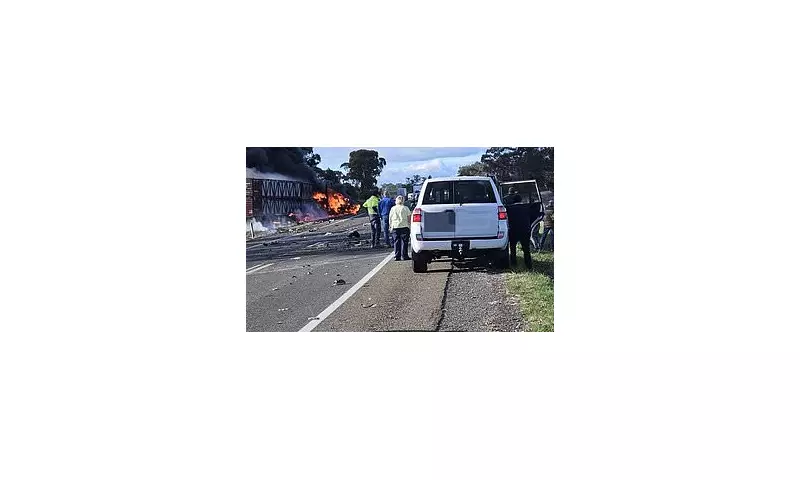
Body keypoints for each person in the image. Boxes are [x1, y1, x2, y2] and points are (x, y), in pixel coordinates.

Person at [506, 193, 533, 269]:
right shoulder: (526, 207)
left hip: (513, 230)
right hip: (525, 230)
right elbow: (532, 216)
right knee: (526, 249)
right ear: (521, 200)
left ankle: (513, 263)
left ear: (513, 201)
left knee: (512, 248)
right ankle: (528, 265)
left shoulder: (509, 208)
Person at [388, 195, 412, 261]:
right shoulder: (406, 208)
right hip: (404, 226)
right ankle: (404, 255)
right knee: (404, 242)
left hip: (395, 226)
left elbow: (390, 218)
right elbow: (409, 218)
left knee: (396, 241)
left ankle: (397, 256)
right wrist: (410, 225)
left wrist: (390, 226)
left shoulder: (393, 208)